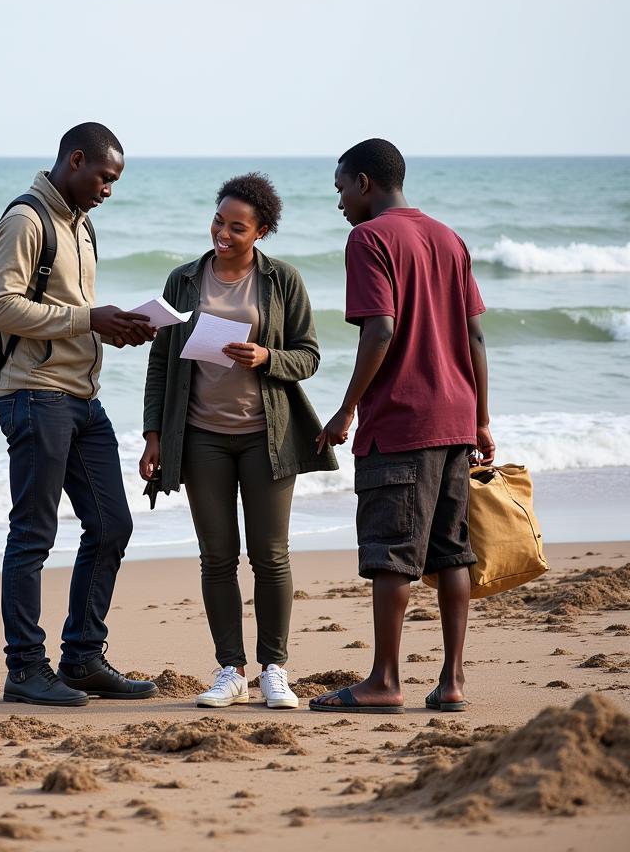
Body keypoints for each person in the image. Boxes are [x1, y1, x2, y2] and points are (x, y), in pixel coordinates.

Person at [140, 173, 338, 709]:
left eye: (237, 227)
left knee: (270, 556)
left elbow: (310, 356)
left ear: (262, 231)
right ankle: (231, 669)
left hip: (266, 438)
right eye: (218, 222)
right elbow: (161, 364)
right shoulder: (183, 279)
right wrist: (153, 435)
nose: (222, 234)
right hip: (200, 436)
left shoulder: (283, 281)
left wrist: (267, 358)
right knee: (217, 557)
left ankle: (275, 668)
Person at [312, 138, 494, 714]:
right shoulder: (449, 237)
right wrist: (482, 419)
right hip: (457, 417)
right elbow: (476, 336)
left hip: (403, 420)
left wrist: (345, 410)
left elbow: (381, 330)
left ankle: (385, 681)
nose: (339, 201)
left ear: (365, 182)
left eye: (341, 188)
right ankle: (452, 682)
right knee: (451, 552)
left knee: (391, 551)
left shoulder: (368, 238)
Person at [0, 122, 160, 706]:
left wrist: (117, 328)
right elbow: (0, 307)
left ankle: (82, 659)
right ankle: (25, 669)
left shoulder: (81, 225)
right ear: (76, 160)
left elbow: (70, 313)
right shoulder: (27, 219)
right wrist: (90, 319)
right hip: (35, 395)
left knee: (113, 525)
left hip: (82, 397)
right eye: (105, 177)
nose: (110, 189)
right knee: (33, 534)